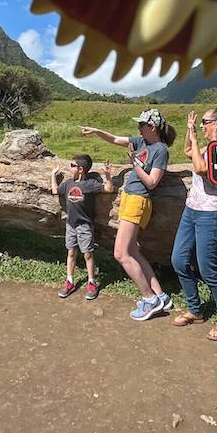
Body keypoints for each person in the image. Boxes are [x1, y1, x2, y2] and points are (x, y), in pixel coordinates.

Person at [80, 108, 177, 321]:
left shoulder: (160, 150)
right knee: (133, 251)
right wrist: (96, 131)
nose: (138, 128)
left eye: (141, 125)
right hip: (129, 198)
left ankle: (149, 299)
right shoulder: (142, 142)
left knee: (121, 254)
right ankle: (161, 296)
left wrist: (135, 165)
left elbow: (152, 182)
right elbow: (115, 139)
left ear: (152, 127)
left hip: (138, 201)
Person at [170, 106, 217, 340]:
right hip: (191, 210)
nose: (202, 126)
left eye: (205, 122)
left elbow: (200, 169)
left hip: (210, 214)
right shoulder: (208, 148)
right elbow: (188, 150)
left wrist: (198, 139)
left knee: (208, 271)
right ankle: (195, 310)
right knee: (178, 260)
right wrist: (190, 131)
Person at [50, 155, 113, 300]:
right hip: (71, 225)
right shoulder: (67, 184)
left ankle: (91, 282)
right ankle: (69, 281)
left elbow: (109, 189)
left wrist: (108, 175)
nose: (69, 167)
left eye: (72, 165)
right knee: (71, 253)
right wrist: (53, 175)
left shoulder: (89, 184)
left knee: (88, 254)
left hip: (84, 226)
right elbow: (55, 191)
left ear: (80, 169)